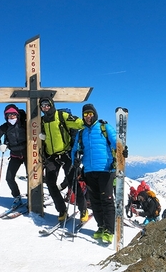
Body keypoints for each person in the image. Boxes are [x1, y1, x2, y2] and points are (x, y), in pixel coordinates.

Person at [71, 103, 121, 244]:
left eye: (90, 114)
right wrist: (75, 159)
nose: (88, 117)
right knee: (94, 201)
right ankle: (101, 226)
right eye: (85, 115)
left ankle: (110, 230)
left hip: (106, 169)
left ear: (95, 114)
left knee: (107, 200)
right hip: (89, 171)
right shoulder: (81, 133)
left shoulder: (104, 127)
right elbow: (74, 149)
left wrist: (122, 150)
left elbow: (116, 141)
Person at [39, 97, 88, 223]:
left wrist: (92, 123)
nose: (45, 108)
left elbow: (79, 123)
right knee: (50, 183)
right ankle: (61, 209)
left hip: (66, 155)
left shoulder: (61, 116)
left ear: (51, 104)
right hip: (51, 157)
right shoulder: (42, 121)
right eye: (42, 106)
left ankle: (83, 210)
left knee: (73, 184)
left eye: (47, 105)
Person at [0, 104, 27, 208]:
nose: (11, 117)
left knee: (32, 177)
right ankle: (17, 197)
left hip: (27, 154)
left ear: (17, 115)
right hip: (15, 155)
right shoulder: (5, 127)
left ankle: (35, 196)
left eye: (13, 114)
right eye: (9, 115)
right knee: (9, 178)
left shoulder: (24, 124)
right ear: (5, 116)